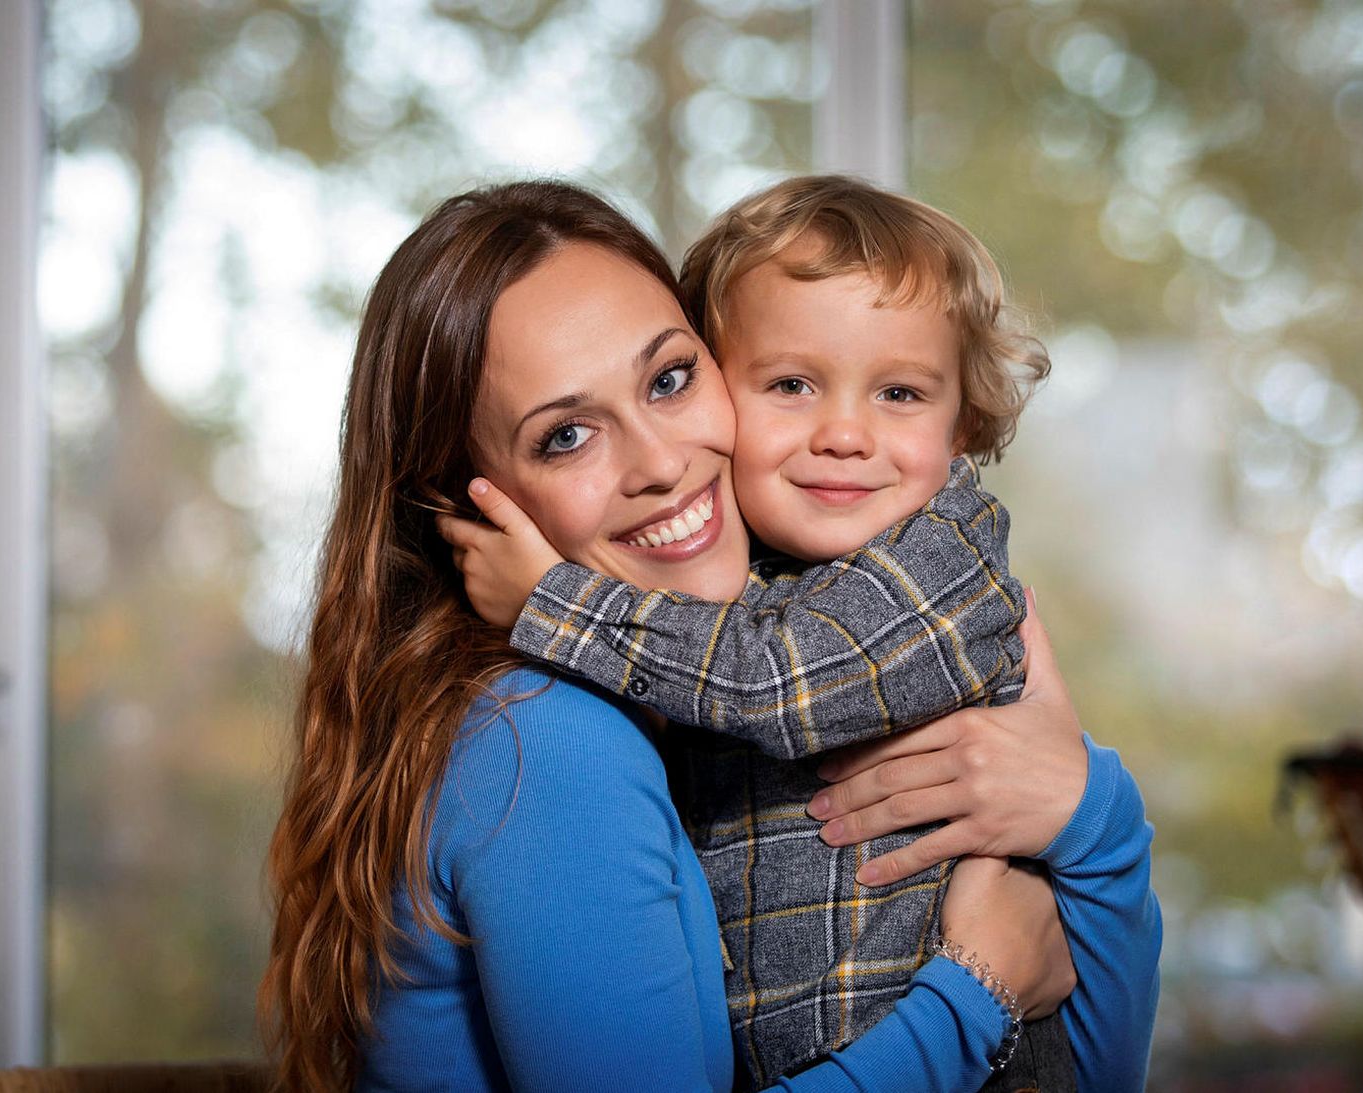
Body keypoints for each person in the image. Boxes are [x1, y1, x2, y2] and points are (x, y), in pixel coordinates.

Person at [259, 180, 1094, 1093]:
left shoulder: (710, 663)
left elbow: (1106, 1053)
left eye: (668, 379)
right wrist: (978, 991)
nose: (660, 465)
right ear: (466, 506)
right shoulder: (549, 738)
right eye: (566, 435)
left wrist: (1095, 815)